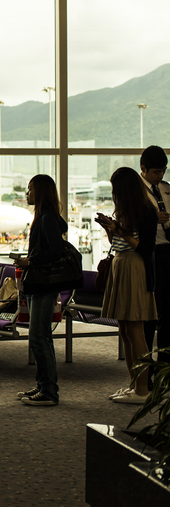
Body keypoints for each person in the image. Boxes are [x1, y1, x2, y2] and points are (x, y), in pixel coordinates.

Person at [97, 166, 159, 404]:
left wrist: (120, 230)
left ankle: (143, 390)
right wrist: (110, 229)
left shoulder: (146, 211)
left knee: (135, 329)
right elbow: (118, 242)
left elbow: (145, 248)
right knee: (124, 329)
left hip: (134, 268)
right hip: (121, 264)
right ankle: (134, 384)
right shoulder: (126, 210)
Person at [13, 174, 71, 406]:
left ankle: (48, 391)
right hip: (41, 283)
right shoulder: (46, 217)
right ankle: (43, 385)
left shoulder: (46, 218)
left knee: (39, 337)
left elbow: (55, 251)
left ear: (40, 191)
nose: (27, 194)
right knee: (40, 336)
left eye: (30, 189)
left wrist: (30, 261)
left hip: (43, 284)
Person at [140, 145, 170, 364]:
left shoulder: (167, 189)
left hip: (168, 252)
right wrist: (152, 219)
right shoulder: (136, 192)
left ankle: (164, 366)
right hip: (150, 253)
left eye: (163, 171)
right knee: (150, 313)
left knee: (168, 312)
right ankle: (146, 369)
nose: (160, 176)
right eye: (156, 172)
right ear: (143, 169)